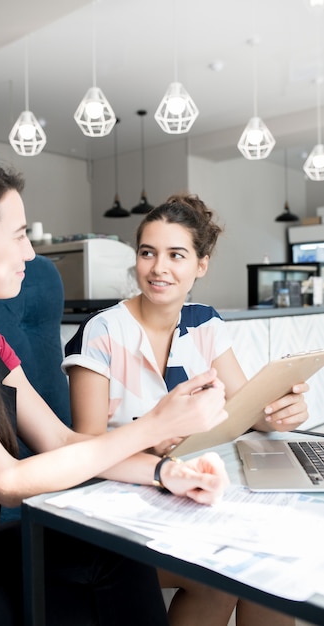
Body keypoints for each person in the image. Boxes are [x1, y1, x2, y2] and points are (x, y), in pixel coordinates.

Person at [0, 158, 231, 626]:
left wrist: (164, 471)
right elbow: (8, 481)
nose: (31, 254)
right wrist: (155, 427)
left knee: (120, 548)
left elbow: (60, 441)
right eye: (19, 235)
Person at [62, 193, 310, 626]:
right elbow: (86, 450)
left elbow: (244, 406)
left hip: (187, 491)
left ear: (201, 264)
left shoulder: (205, 322)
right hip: (119, 500)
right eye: (147, 253)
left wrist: (278, 411)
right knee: (220, 577)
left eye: (176, 255)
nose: (159, 268)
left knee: (269, 571)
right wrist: (155, 445)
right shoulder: (100, 332)